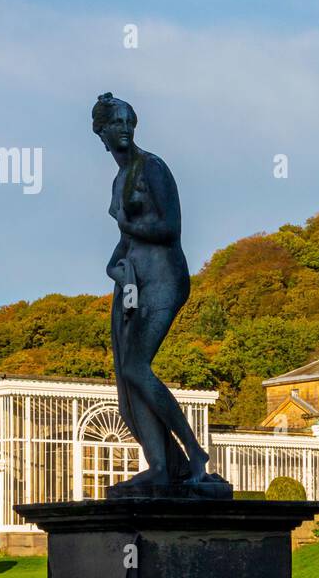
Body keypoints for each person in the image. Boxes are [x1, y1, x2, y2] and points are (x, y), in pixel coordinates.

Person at [92, 92, 224, 494]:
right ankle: (161, 467)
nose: (125, 129)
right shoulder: (120, 179)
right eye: (117, 123)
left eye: (130, 122)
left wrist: (124, 223)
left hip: (165, 277)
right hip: (135, 283)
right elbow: (122, 249)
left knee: (136, 367)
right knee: (127, 379)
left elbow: (170, 229)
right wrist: (115, 269)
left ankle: (195, 454)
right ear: (100, 131)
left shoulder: (153, 168)